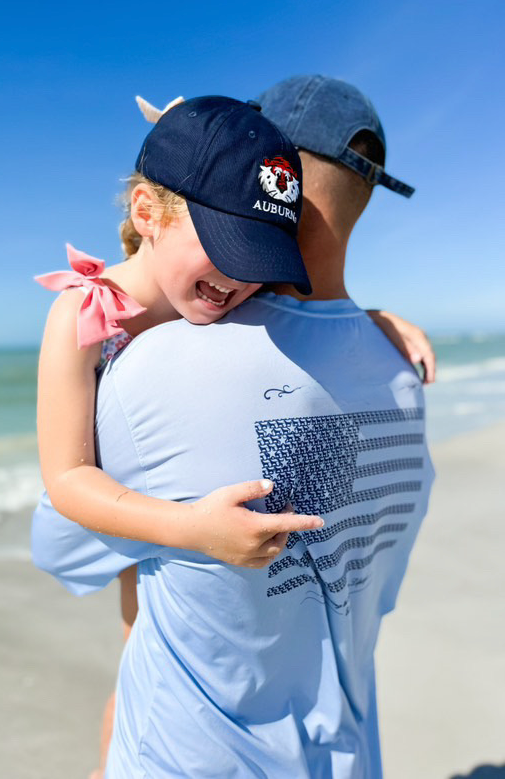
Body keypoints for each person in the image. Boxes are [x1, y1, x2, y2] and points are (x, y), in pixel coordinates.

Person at [32, 75, 436, 777]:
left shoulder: (192, 334)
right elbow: (67, 479)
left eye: (255, 255)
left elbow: (61, 546)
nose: (236, 280)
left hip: (192, 705)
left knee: (132, 670)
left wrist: (373, 318)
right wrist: (364, 323)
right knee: (127, 675)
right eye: (228, 242)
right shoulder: (90, 318)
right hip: (333, 736)